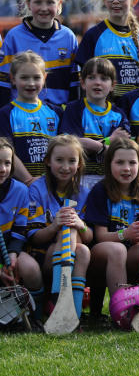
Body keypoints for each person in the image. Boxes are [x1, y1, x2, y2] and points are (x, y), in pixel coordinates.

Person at [17, 135, 90, 321]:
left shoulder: (83, 191)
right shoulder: (37, 189)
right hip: (42, 256)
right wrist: (55, 225)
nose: (66, 167)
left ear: (80, 163)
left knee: (83, 249)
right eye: (59, 160)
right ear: (48, 161)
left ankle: (74, 314)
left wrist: (80, 225)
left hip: (72, 255)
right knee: (67, 229)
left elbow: (89, 237)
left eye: (72, 161)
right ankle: (59, 303)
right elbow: (34, 237)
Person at [85, 138, 139, 305]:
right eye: (119, 162)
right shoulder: (100, 191)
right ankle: (122, 308)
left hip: (130, 250)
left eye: (132, 163)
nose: (126, 168)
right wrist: (126, 234)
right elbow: (100, 236)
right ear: (109, 164)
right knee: (118, 249)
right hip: (101, 252)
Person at [0, 0, 79, 108]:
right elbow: (3, 85)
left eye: (50, 2)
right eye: (38, 2)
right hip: (22, 116)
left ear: (59, 4)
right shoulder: (14, 36)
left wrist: (71, 118)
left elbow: (75, 84)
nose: (44, 8)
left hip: (59, 116)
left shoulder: (68, 37)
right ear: (28, 3)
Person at [76, 0, 139, 99]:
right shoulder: (93, 36)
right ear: (104, 0)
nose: (115, 1)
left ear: (134, 1)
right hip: (105, 113)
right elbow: (82, 80)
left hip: (136, 113)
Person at [60, 58, 131, 190]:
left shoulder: (119, 114)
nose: (97, 82)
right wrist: (107, 143)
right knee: (73, 209)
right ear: (83, 83)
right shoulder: (74, 109)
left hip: (110, 179)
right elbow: (70, 144)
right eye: (92, 77)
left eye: (104, 78)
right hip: (77, 179)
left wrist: (89, 143)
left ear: (113, 85)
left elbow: (120, 149)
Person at [0, 51, 62, 183]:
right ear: (12, 78)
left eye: (36, 77)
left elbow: (63, 150)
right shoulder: (5, 113)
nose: (31, 83)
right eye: (24, 78)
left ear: (44, 78)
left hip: (51, 184)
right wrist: (29, 181)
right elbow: (7, 154)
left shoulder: (56, 112)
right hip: (19, 185)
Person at [0, 138, 38, 316]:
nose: (2, 169)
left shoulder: (21, 190)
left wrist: (12, 256)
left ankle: (36, 314)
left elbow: (20, 229)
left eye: (7, 163)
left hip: (8, 247)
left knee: (30, 269)